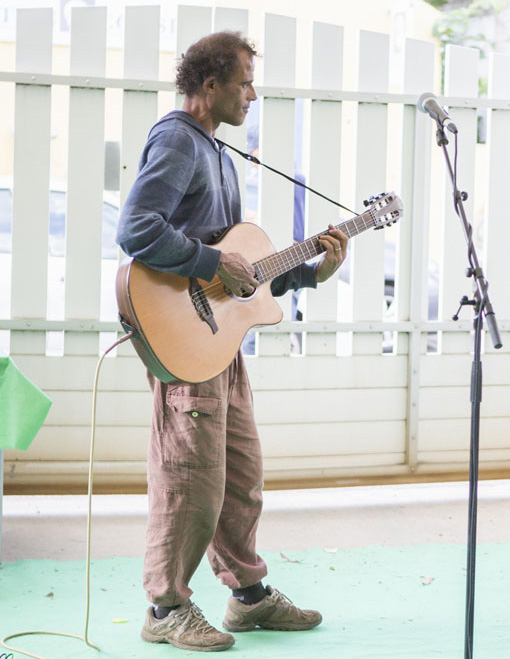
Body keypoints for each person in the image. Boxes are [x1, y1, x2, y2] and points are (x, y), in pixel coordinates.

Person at [116, 31, 349, 652]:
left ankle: (247, 598)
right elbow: (137, 229)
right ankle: (165, 609)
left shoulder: (219, 154)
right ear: (209, 84)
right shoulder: (176, 139)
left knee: (240, 477)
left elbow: (242, 269)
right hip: (183, 343)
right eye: (244, 80)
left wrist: (310, 269)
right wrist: (210, 263)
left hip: (220, 342)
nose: (253, 92)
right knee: (191, 479)